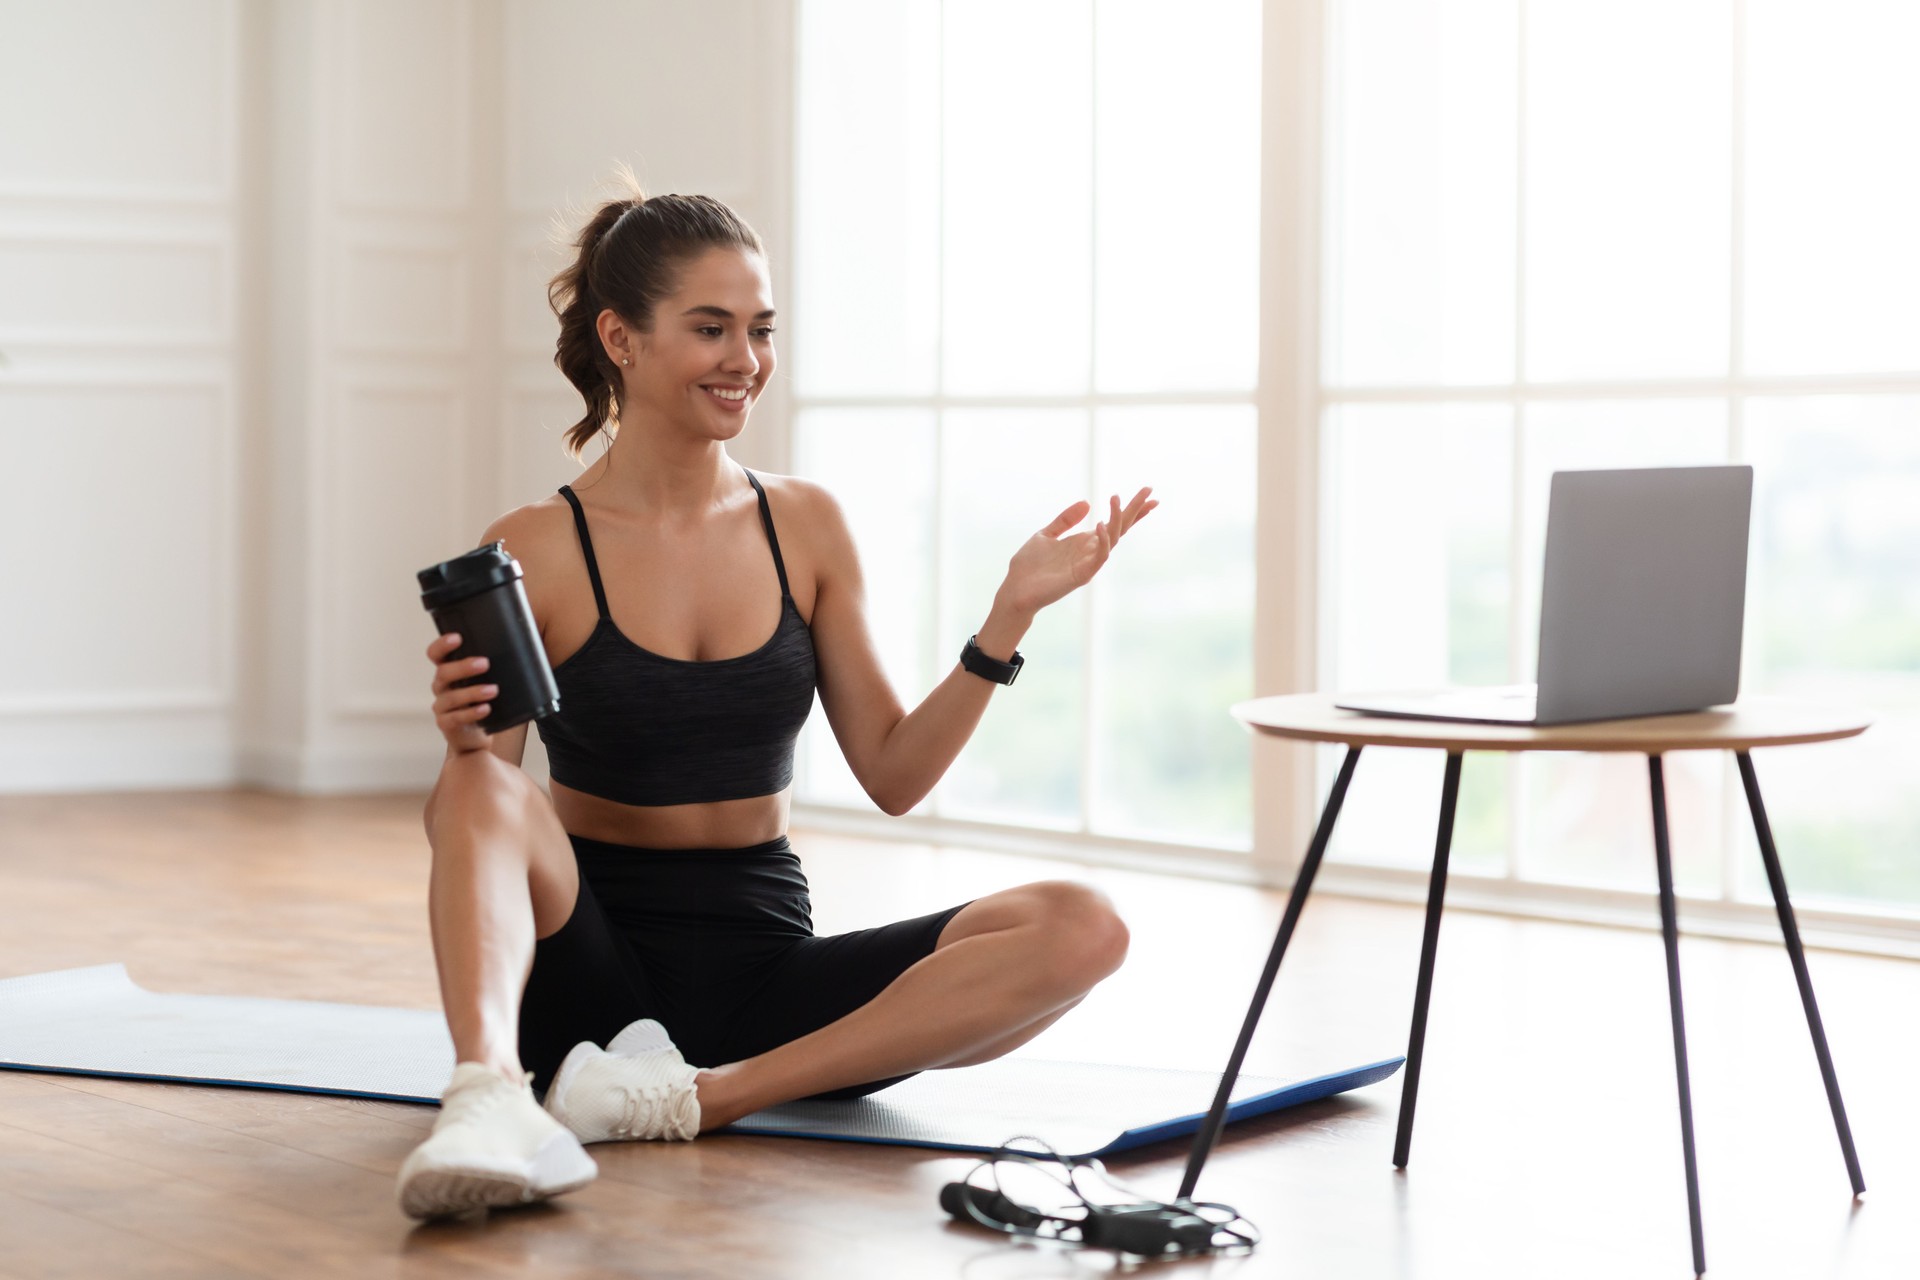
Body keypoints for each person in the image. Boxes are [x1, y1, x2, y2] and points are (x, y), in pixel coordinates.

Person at [395, 178, 1156, 1221]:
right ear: (621, 338)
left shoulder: (805, 525)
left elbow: (892, 774)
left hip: (765, 978)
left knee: (1084, 926)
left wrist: (1004, 621)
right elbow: (469, 817)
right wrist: (462, 736)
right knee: (483, 783)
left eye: (760, 329)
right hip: (591, 982)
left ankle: (701, 1099)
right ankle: (485, 1096)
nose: (745, 360)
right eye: (711, 328)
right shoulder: (534, 546)